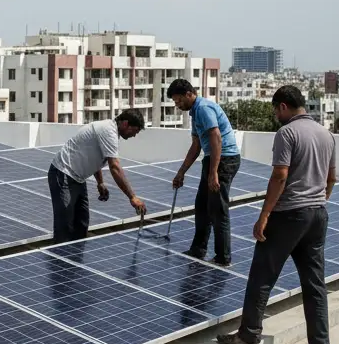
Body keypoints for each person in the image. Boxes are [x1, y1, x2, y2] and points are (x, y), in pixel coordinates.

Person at [217, 85, 337, 344]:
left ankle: (249, 334)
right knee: (315, 284)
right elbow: (331, 178)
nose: (275, 115)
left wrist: (264, 215)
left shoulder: (288, 133)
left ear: (283, 106)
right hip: (317, 214)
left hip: (289, 215)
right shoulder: (326, 134)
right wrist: (318, 201)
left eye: (275, 109)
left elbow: (280, 176)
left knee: (262, 276)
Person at [167, 78, 242, 267]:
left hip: (224, 159)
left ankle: (223, 258)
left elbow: (216, 138)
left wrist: (214, 173)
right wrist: (181, 172)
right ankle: (198, 249)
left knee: (217, 209)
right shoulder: (194, 113)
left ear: (189, 94)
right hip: (212, 160)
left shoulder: (203, 108)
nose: (177, 105)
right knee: (202, 205)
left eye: (178, 100)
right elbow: (196, 145)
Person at [47, 110, 148, 243]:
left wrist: (100, 182)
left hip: (78, 178)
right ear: (125, 124)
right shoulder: (108, 131)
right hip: (63, 173)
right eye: (134, 131)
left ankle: (74, 260)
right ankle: (60, 261)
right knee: (64, 226)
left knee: (81, 224)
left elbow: (95, 157)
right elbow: (115, 167)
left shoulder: (111, 131)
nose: (134, 135)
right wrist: (132, 197)